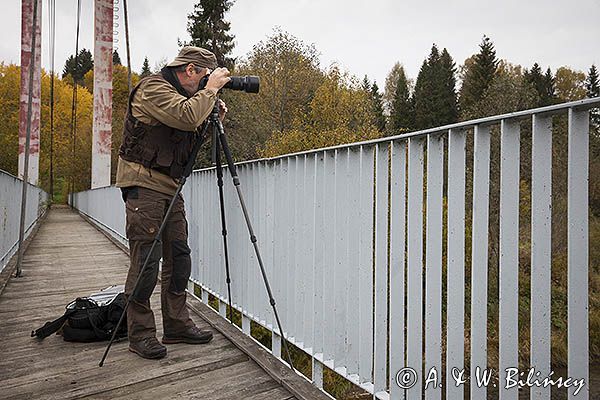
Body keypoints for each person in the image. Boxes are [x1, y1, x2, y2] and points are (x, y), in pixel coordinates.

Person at [116, 46, 230, 360]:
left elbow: (186, 135)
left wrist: (212, 118)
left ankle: (177, 325)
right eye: (205, 76)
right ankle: (140, 334)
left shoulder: (187, 97)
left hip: (170, 187)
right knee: (147, 263)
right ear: (191, 70)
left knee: (179, 258)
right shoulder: (153, 89)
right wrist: (209, 92)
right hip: (144, 184)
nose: (208, 81)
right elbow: (185, 115)